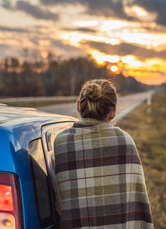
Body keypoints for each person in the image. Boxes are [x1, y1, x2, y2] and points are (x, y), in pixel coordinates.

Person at [54, 79, 153, 228]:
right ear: (112, 113)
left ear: (78, 106)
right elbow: (137, 202)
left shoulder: (61, 141)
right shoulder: (124, 141)